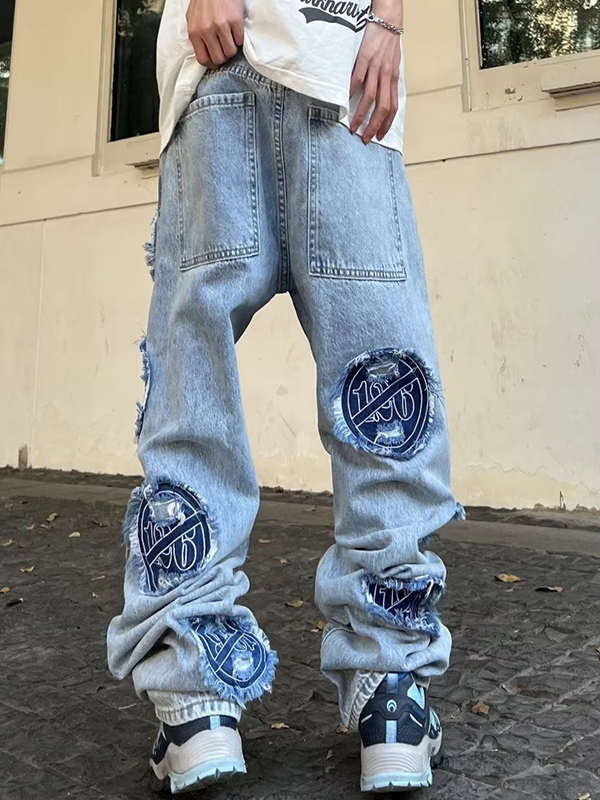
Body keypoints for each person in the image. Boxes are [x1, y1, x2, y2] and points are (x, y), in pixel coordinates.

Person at [107, 0, 462, 793]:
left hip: (271, 68)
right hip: (328, 61)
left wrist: (390, 24)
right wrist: (385, 23)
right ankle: (391, 695)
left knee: (194, 387)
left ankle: (196, 700)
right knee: (381, 384)